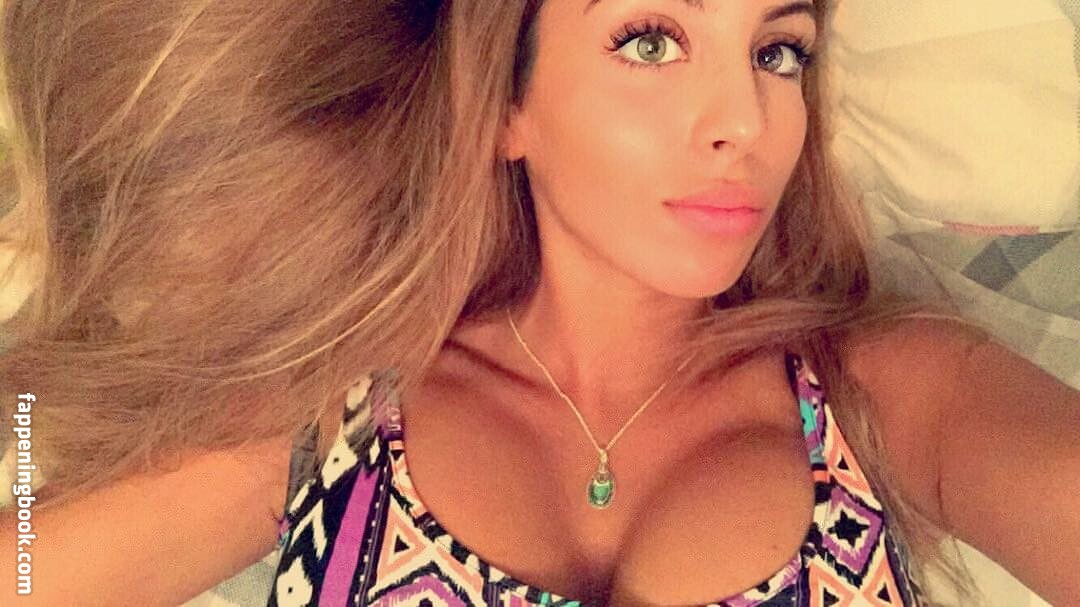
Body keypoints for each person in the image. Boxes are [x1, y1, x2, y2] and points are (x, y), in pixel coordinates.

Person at [0, 0, 1076, 605]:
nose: (745, 121)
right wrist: (28, 445)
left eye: (777, 51)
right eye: (651, 40)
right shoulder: (338, 415)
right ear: (507, 109)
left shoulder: (891, 392)